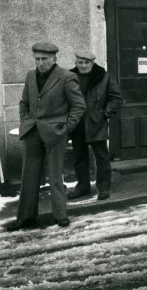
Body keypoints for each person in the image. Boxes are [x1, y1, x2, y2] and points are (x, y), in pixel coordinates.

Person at [9, 42, 85, 230]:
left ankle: (60, 215)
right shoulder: (30, 76)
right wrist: (24, 122)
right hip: (32, 132)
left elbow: (79, 106)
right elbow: (24, 103)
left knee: (55, 175)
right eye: (37, 59)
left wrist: (66, 129)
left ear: (54, 59)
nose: (40, 63)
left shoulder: (67, 77)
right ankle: (25, 217)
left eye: (44, 59)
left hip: (55, 133)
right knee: (29, 176)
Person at [67, 50, 122, 201]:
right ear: (76, 63)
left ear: (92, 63)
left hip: (96, 123)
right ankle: (83, 187)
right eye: (80, 63)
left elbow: (116, 99)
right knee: (79, 157)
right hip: (77, 123)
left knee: (101, 156)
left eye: (86, 63)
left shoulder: (104, 77)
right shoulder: (69, 77)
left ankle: (104, 187)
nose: (83, 66)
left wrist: (105, 114)